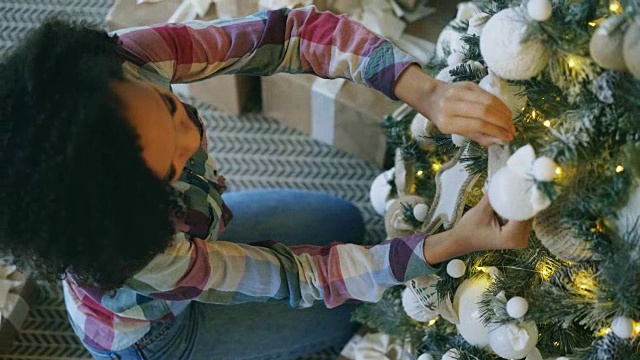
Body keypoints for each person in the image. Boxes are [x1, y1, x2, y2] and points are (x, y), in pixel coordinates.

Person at [1, 6, 530, 360]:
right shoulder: (149, 257)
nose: (192, 138)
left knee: (344, 223)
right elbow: (304, 277)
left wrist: (424, 90)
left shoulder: (122, 62)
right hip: (154, 332)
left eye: (169, 106)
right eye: (167, 168)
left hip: (188, 245)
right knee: (342, 317)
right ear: (137, 207)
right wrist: (454, 243)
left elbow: (286, 34)